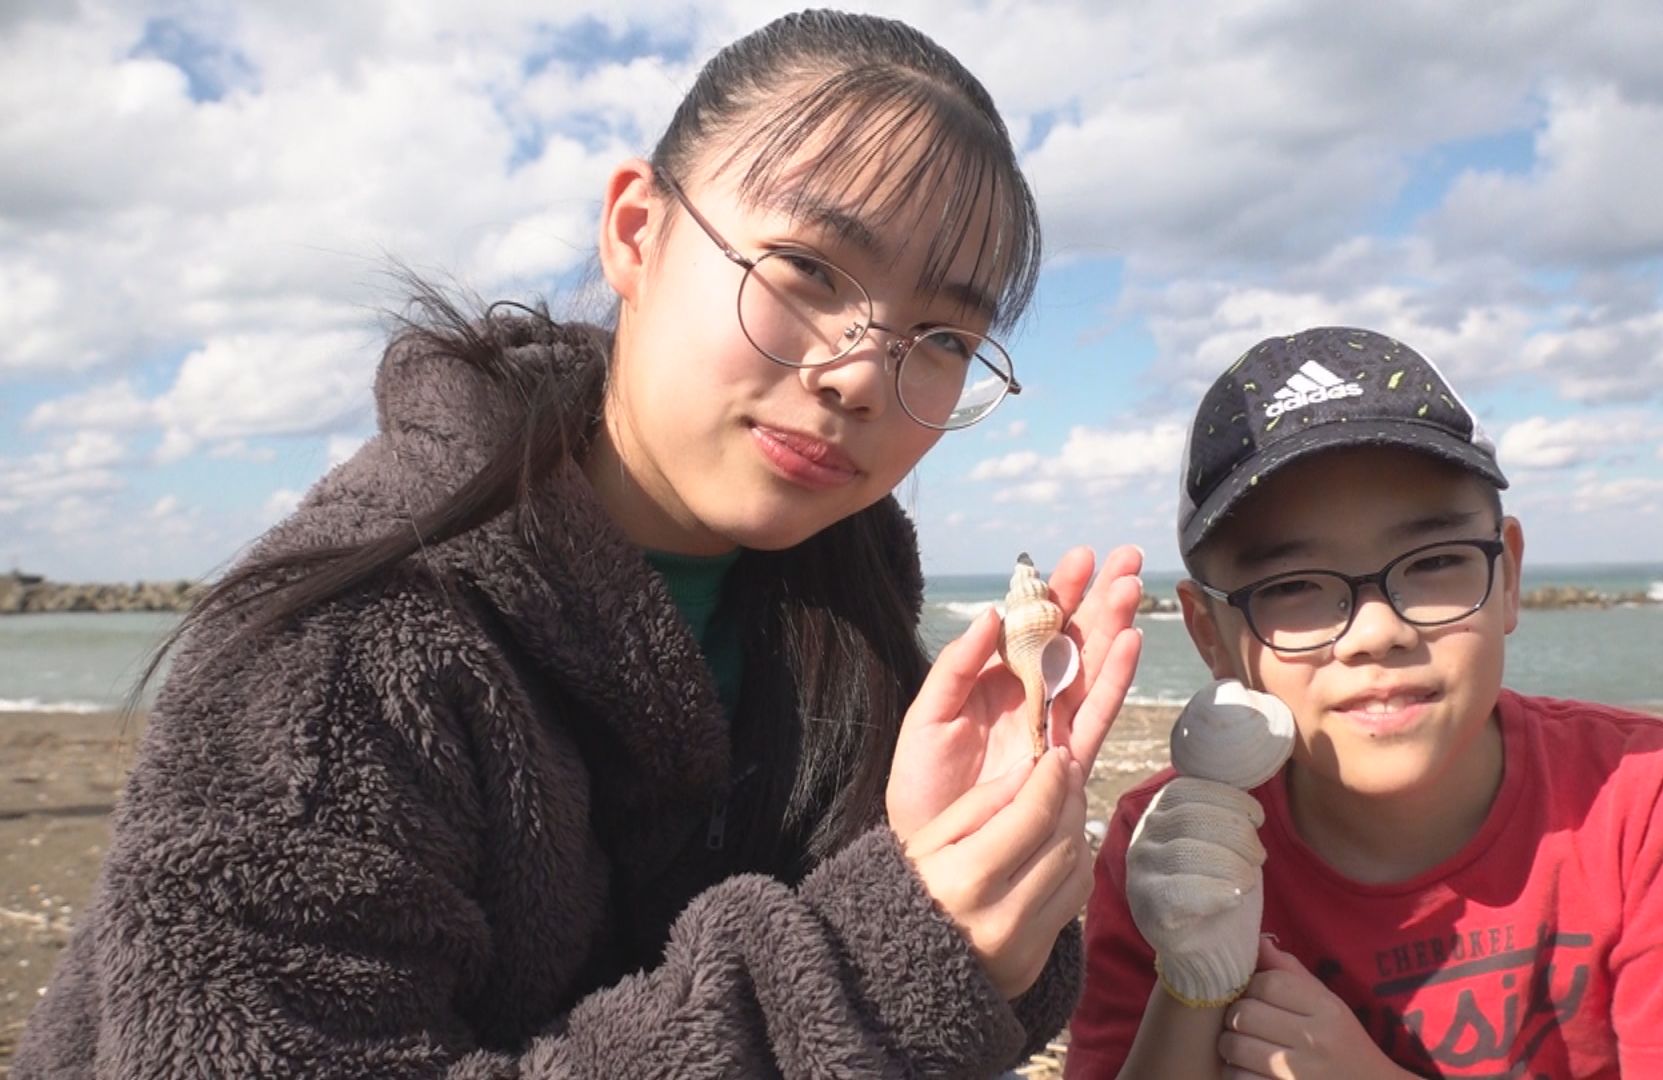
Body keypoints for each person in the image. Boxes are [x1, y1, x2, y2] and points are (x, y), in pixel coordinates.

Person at [15, 11, 1146, 1077]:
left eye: (942, 334)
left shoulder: (833, 604)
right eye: (806, 270)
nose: (859, 373)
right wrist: (882, 978)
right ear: (637, 235)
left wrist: (980, 883)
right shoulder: (344, 657)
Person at [1066, 328, 1663, 1079]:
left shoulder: (1645, 791)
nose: (1377, 632)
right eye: (1291, 586)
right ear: (1212, 634)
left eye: (1433, 564)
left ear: (1510, 578)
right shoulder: (1172, 847)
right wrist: (1192, 987)